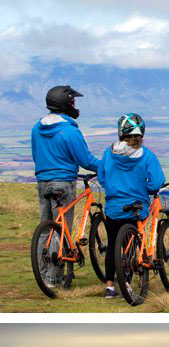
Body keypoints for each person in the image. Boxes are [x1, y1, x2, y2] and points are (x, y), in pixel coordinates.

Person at [29, 87, 100, 285]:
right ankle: (54, 279)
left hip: (42, 182)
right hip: (63, 183)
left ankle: (43, 276)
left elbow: (36, 155)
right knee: (61, 230)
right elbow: (85, 160)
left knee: (45, 229)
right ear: (66, 104)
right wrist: (106, 167)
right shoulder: (70, 131)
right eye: (73, 102)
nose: (75, 106)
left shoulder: (37, 127)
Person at [97, 113, 165, 299]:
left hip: (113, 208)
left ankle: (110, 287)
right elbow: (155, 184)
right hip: (137, 208)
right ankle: (129, 281)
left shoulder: (108, 152)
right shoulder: (147, 155)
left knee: (113, 245)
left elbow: (101, 177)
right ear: (141, 132)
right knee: (133, 243)